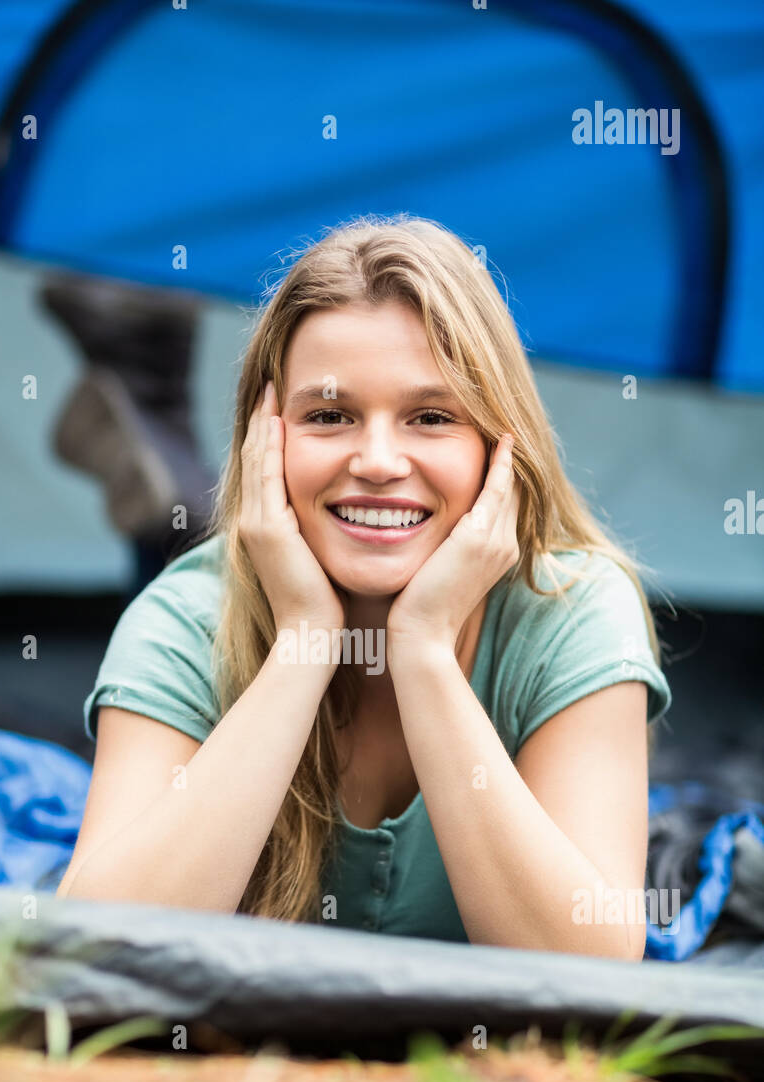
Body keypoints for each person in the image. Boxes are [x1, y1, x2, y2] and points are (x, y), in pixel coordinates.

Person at [57, 214, 671, 960]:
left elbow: (592, 967)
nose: (378, 459)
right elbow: (93, 950)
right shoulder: (183, 617)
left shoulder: (573, 610)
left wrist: (423, 651)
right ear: (265, 439)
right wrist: (303, 642)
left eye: (431, 416)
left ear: (500, 448)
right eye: (330, 415)